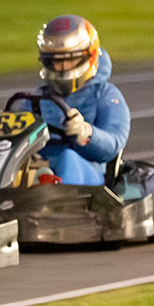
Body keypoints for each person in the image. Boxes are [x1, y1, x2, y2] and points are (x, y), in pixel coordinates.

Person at [34, 15, 131, 185]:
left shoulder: (106, 94)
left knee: (68, 157)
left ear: (89, 57)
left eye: (70, 60)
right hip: (42, 171)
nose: (62, 68)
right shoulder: (37, 98)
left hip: (91, 177)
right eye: (56, 61)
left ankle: (60, 193)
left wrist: (85, 133)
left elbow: (114, 143)